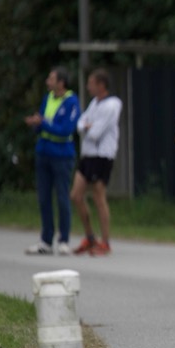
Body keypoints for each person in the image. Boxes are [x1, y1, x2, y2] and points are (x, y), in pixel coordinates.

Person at [24, 67, 82, 255]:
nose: (48, 81)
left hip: (62, 155)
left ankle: (64, 240)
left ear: (61, 83)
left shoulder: (71, 101)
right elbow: (42, 123)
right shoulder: (48, 98)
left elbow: (65, 130)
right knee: (44, 198)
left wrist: (43, 123)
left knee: (62, 197)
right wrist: (36, 124)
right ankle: (46, 240)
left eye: (51, 78)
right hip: (44, 152)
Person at [71, 69, 122, 256]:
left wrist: (87, 127)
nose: (88, 87)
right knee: (76, 195)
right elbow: (80, 124)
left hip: (102, 156)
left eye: (91, 83)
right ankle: (90, 237)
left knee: (99, 197)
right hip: (88, 155)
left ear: (101, 85)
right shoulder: (94, 103)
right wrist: (86, 126)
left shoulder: (112, 105)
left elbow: (95, 133)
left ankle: (105, 242)